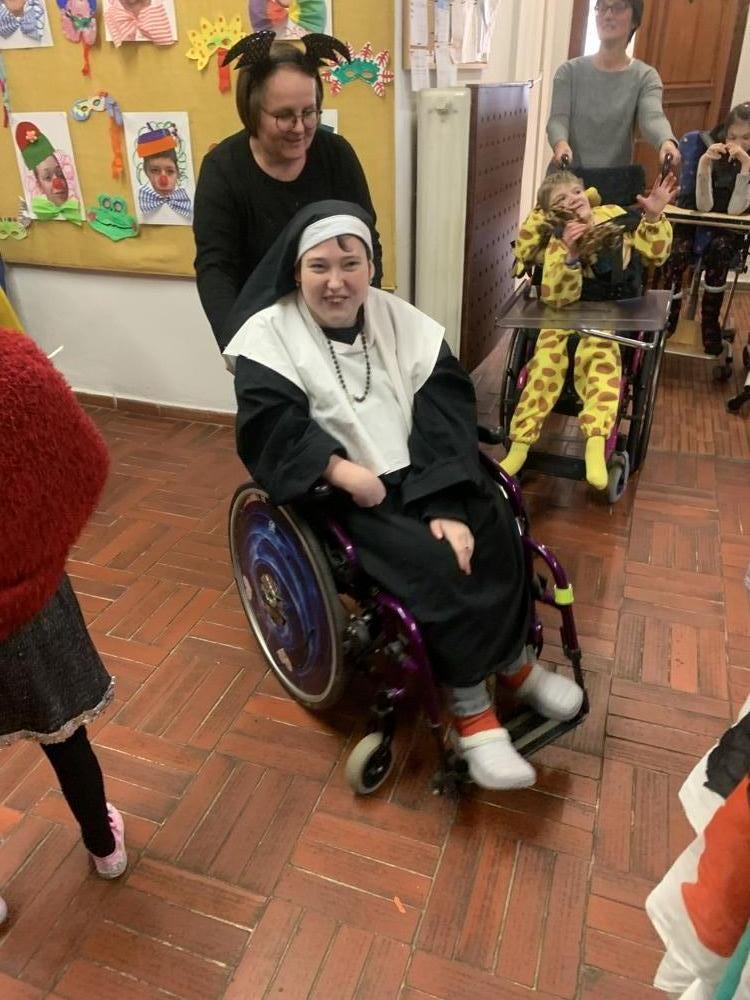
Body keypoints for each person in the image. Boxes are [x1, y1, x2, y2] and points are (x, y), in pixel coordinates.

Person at [223, 200, 584, 791]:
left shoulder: (397, 318)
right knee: (436, 562)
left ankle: (516, 667)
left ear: (371, 265)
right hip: (348, 492)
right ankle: (472, 711)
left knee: (497, 521)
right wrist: (339, 469)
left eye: (350, 264)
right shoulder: (270, 337)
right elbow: (271, 427)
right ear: (295, 270)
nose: (336, 281)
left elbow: (443, 403)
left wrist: (444, 502)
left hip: (425, 467)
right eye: (319, 266)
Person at [0, 328, 128, 926]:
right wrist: (43, 543)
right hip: (35, 600)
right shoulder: (14, 364)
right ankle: (105, 849)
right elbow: (87, 463)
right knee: (66, 736)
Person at [193, 31, 383, 352]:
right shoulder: (223, 169)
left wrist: (364, 315)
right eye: (284, 116)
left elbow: (367, 242)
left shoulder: (336, 155)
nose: (299, 127)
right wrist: (237, 344)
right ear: (252, 111)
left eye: (309, 112)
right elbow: (217, 269)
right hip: (262, 330)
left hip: (338, 324)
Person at [500, 169, 675, 489]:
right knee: (543, 367)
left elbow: (656, 254)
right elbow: (556, 297)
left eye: (576, 193)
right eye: (561, 199)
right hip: (562, 320)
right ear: (552, 212)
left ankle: (595, 446)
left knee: (602, 363)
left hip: (608, 317)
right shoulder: (558, 239)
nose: (572, 200)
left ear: (587, 194)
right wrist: (570, 256)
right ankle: (519, 447)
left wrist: (653, 217)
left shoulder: (616, 218)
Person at [547, 0, 680, 171]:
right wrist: (560, 144)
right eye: (602, 7)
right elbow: (558, 119)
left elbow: (653, 118)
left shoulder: (646, 77)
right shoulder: (568, 72)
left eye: (618, 7)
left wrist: (666, 141)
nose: (608, 15)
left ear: (635, 20)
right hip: (568, 178)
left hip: (615, 180)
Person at [661, 102, 750, 356]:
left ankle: (709, 321)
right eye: (732, 136)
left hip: (728, 228)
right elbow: (703, 206)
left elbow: (735, 210)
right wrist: (704, 164)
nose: (738, 143)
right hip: (695, 219)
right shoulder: (706, 147)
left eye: (746, 138)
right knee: (677, 252)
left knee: (720, 250)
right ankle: (670, 316)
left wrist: (745, 167)